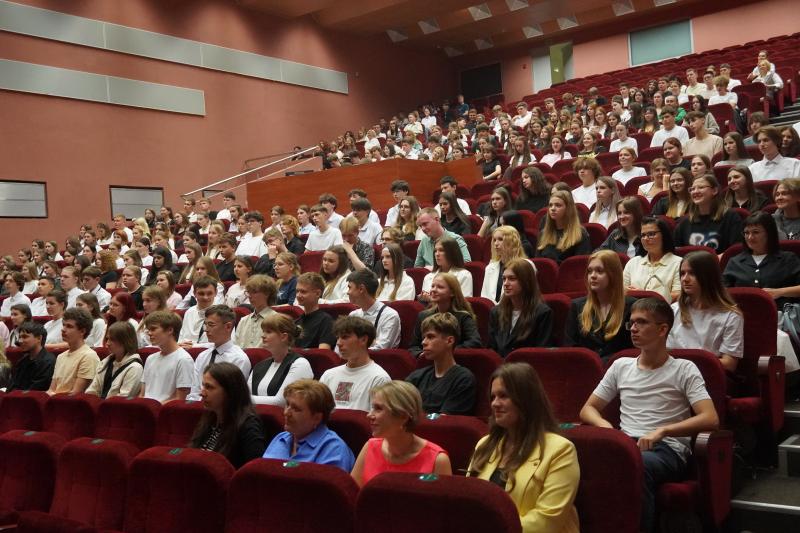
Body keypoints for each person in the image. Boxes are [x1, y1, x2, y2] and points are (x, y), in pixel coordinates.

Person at [580, 297, 719, 533]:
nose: (633, 328)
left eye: (642, 322)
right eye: (632, 322)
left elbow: (710, 418)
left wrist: (662, 431)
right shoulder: (621, 365)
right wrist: (606, 428)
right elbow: (587, 409)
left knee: (636, 465)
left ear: (662, 329)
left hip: (667, 449)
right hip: (626, 444)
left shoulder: (684, 369)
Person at [470, 363, 580, 532]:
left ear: (526, 400)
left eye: (503, 396)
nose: (495, 404)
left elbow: (547, 520)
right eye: (493, 397)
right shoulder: (484, 445)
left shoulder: (561, 450)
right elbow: (470, 501)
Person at [351, 380, 452, 486]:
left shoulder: (437, 460)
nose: (369, 415)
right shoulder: (370, 447)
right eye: (372, 408)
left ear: (403, 416)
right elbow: (352, 492)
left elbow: (442, 497)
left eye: (378, 409)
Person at [668, 251, 743, 372]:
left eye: (692, 273)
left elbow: (729, 363)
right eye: (682, 273)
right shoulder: (673, 310)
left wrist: (691, 363)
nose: (685, 279)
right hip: (674, 373)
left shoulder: (731, 316)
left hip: (708, 373)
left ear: (708, 277)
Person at [263, 379, 355, 471]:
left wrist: (285, 467)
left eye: (296, 409)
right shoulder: (280, 438)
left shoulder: (334, 449)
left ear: (317, 418)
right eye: (287, 404)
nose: (286, 413)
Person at [189, 362, 267, 468]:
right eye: (203, 386)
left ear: (230, 392)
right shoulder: (210, 417)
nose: (202, 393)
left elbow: (253, 470)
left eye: (209, 387)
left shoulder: (248, 426)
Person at [565, 250, 635, 361]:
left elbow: (635, 348)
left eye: (599, 271)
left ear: (613, 274)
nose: (592, 276)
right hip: (585, 367)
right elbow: (570, 348)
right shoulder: (577, 306)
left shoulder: (632, 306)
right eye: (590, 271)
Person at [724, 212, 800, 310]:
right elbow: (721, 293)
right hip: (740, 314)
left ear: (769, 233)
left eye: (755, 232)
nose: (750, 237)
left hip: (779, 314)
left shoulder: (788, 259)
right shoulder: (735, 261)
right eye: (746, 233)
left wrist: (779, 292)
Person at [405, 312, 476, 415]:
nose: (423, 342)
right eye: (424, 337)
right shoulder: (416, 377)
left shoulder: (463, 379)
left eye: (430, 337)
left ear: (449, 341)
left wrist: (415, 417)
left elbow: (442, 420)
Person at [320, 316, 390, 411]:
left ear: (363, 340)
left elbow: (378, 416)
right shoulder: (328, 375)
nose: (338, 343)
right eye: (338, 338)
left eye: (345, 337)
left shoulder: (379, 378)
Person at [488, 258, 553, 357]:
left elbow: (542, 353)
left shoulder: (542, 313)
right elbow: (491, 350)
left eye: (512, 279)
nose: (505, 283)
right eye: (504, 279)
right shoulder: (496, 312)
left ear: (526, 281)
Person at [409, 273, 482, 357]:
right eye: (432, 286)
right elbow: (413, 347)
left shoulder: (463, 317)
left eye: (440, 287)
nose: (433, 290)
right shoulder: (423, 315)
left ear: (452, 292)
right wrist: (421, 354)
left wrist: (444, 352)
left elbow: (475, 342)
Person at [187, 305, 251, 401]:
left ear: (228, 326)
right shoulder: (202, 356)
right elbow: (194, 392)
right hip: (198, 406)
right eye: (206, 324)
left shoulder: (239, 359)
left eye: (211, 325)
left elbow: (233, 396)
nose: (206, 329)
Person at [249, 313, 313, 405]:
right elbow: (246, 395)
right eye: (263, 331)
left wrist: (243, 400)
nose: (263, 335)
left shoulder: (300, 364)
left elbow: (281, 402)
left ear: (284, 337)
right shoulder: (259, 366)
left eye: (268, 332)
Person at [674, 174, 743, 253]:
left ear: (714, 191)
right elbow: (677, 251)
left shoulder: (731, 217)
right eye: (692, 189)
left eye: (701, 187)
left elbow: (735, 250)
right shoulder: (684, 222)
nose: (695, 191)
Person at [139, 311, 195, 403]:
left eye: (153, 329)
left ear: (170, 330)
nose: (149, 333)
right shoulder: (150, 358)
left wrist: (153, 408)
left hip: (165, 410)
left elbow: (180, 399)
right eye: (148, 330)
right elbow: (142, 394)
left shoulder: (184, 359)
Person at [624, 217, 682, 302]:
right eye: (643, 235)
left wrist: (643, 295)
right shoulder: (633, 262)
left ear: (664, 235)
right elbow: (622, 291)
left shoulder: (678, 263)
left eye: (651, 234)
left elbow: (677, 294)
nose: (646, 238)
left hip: (664, 309)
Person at [46, 308, 100, 395]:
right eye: (63, 325)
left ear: (82, 331)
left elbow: (76, 393)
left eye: (69, 326)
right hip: (56, 400)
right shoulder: (60, 357)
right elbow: (51, 390)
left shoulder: (89, 356)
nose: (63, 329)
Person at [346, 269, 401, 350]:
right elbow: (341, 345)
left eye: (349, 287)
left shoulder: (390, 316)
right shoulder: (353, 315)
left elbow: (382, 348)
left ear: (361, 289)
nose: (348, 292)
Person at [85, 321, 143, 398]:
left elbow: (123, 398)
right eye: (107, 339)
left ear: (125, 341)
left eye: (112, 339)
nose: (107, 343)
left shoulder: (135, 368)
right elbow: (93, 390)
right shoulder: (105, 362)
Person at [535, 191, 592, 263]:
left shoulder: (580, 234)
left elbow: (580, 264)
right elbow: (538, 263)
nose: (552, 208)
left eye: (558, 205)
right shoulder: (543, 234)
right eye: (550, 205)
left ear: (568, 209)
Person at [481, 226, 531, 304]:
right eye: (494, 240)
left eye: (500, 239)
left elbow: (527, 296)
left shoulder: (526, 265)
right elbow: (484, 297)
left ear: (512, 242)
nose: (496, 244)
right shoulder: (490, 267)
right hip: (491, 310)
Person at [7, 321, 55, 391]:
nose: (20, 341)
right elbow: (12, 386)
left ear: (39, 338)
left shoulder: (48, 362)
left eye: (25, 337)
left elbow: (35, 390)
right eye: (20, 337)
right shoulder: (22, 361)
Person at [294, 273, 337, 350]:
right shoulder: (297, 322)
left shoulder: (326, 321)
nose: (298, 295)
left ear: (317, 293)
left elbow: (323, 352)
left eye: (303, 292)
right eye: (297, 291)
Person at [234, 275, 277, 350]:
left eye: (254, 292)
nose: (249, 296)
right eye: (248, 292)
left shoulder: (276, 319)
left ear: (267, 293)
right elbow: (236, 347)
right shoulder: (243, 320)